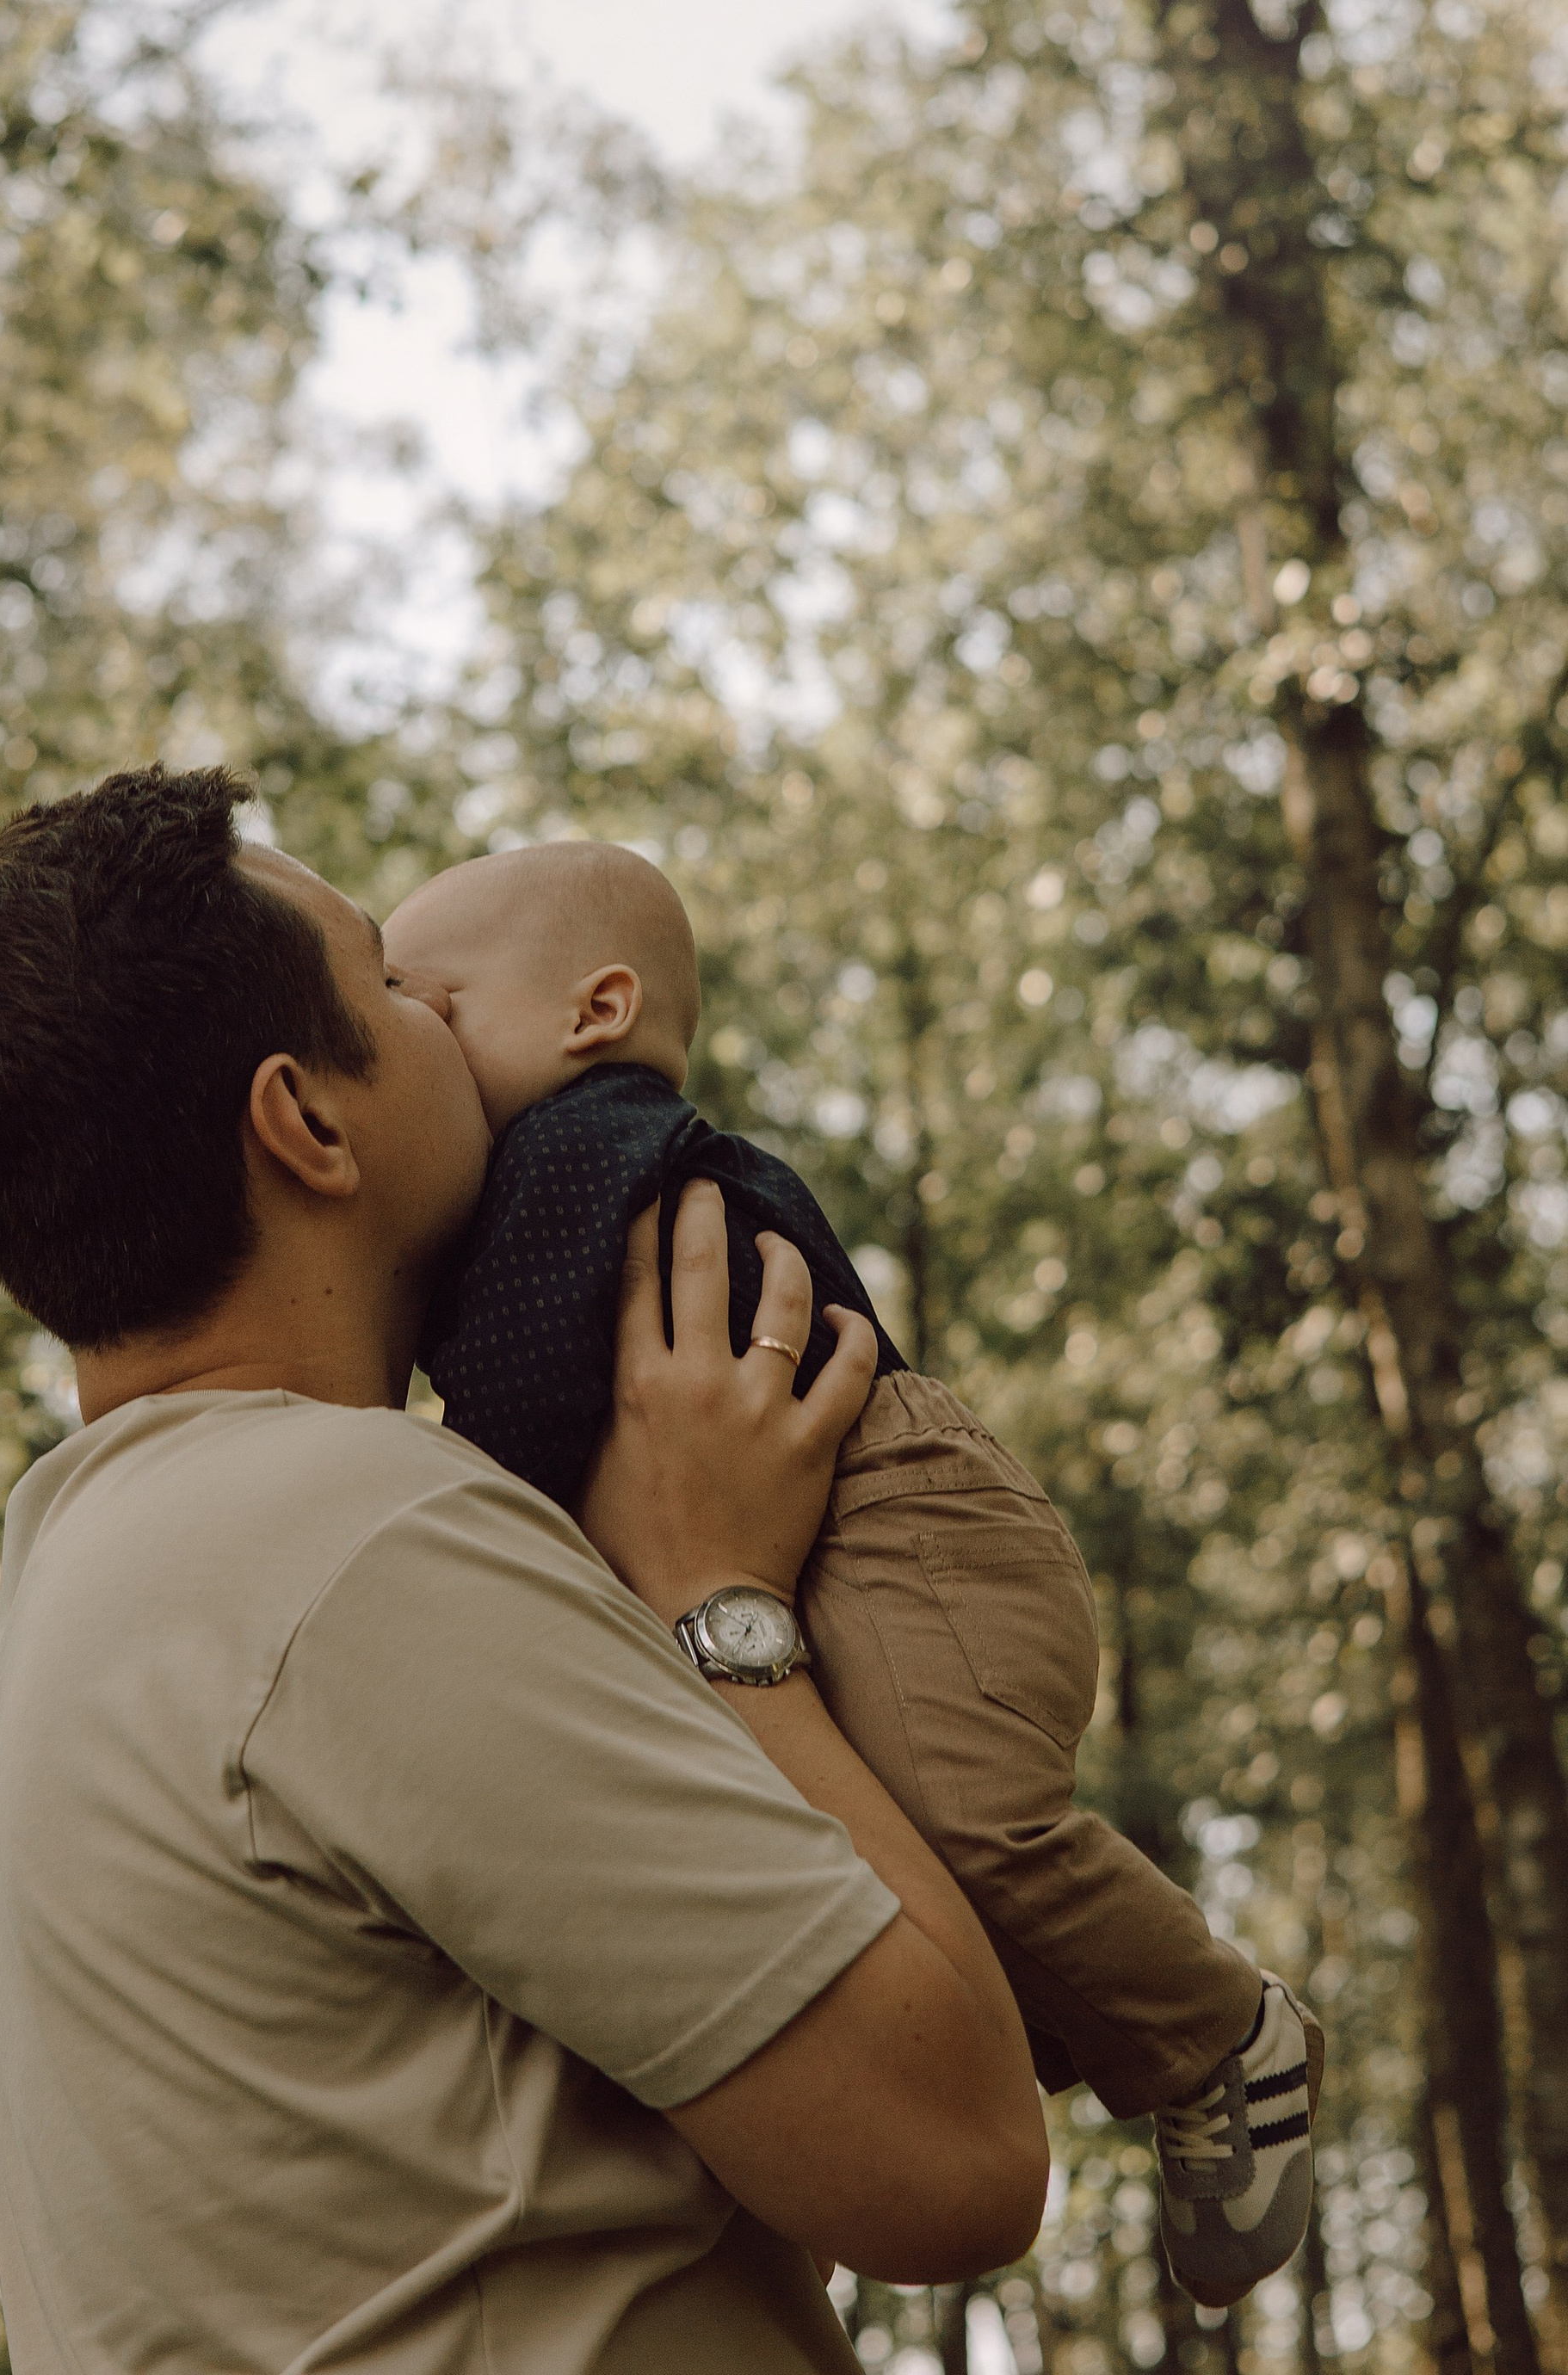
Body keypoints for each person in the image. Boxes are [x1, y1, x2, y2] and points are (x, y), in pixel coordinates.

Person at [0, 765, 1046, 2375]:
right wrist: (723, 1606)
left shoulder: (83, 1578)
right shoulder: (361, 1536)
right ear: (308, 1121)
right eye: (394, 986)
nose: (441, 1015)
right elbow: (953, 2166)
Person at [384, 839, 1325, 2311]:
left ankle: (1220, 2032)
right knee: (876, 1859)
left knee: (971, 1823)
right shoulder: (547, 1177)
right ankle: (1071, 2015)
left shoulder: (582, 1145)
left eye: (430, 1009)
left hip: (902, 1514)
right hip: (826, 1539)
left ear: (595, 1011)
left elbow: (521, 1391)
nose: (410, 1047)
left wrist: (425, 1502)